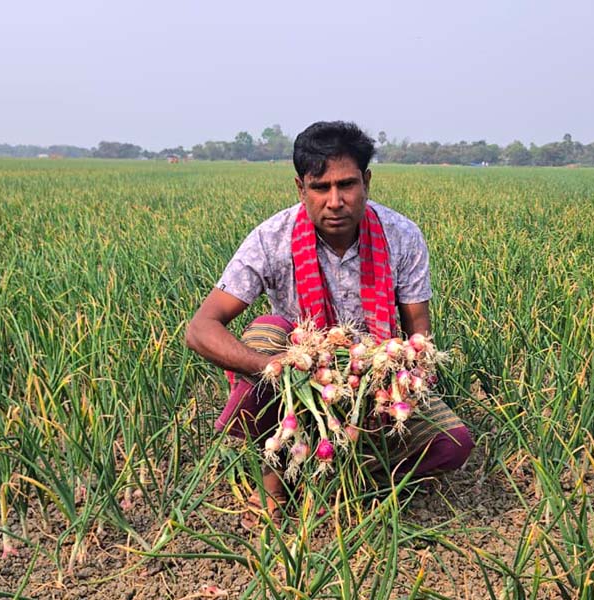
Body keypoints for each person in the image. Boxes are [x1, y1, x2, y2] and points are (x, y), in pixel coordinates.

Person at [185, 121, 474, 528]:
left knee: (453, 444)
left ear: (367, 182)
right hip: (295, 382)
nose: (335, 200)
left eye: (347, 185)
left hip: (368, 378)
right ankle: (272, 479)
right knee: (267, 330)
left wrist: (397, 384)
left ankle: (349, 479)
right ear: (301, 189)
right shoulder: (272, 238)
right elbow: (201, 329)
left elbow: (418, 337)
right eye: (321, 188)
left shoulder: (402, 236)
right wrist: (274, 370)